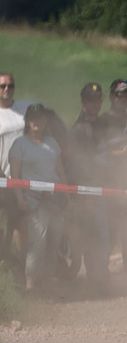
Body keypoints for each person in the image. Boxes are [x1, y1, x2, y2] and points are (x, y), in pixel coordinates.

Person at [8, 104, 67, 290]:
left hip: (55, 199)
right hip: (34, 201)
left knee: (55, 240)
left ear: (45, 120)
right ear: (27, 121)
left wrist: (67, 194)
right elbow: (15, 177)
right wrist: (20, 199)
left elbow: (60, 171)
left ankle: (48, 279)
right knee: (38, 242)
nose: (36, 122)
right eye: (33, 118)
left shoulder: (52, 143)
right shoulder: (19, 145)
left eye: (40, 118)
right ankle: (30, 284)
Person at [97, 79, 127, 272]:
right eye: (120, 95)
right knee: (109, 232)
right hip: (110, 183)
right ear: (111, 97)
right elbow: (99, 153)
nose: (124, 99)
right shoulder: (103, 122)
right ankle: (100, 275)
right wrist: (124, 154)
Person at [68, 82, 110, 285]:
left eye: (97, 100)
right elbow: (76, 163)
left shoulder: (103, 124)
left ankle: (98, 275)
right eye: (90, 100)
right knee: (89, 234)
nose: (94, 104)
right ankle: (84, 276)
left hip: (102, 188)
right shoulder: (78, 129)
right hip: (85, 190)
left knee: (101, 234)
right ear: (83, 102)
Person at [0, 72, 26, 263]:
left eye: (10, 85)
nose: (7, 89)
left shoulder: (23, 109)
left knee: (21, 224)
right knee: (6, 224)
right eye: (2, 86)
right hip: (3, 180)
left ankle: (20, 264)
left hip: (25, 180)